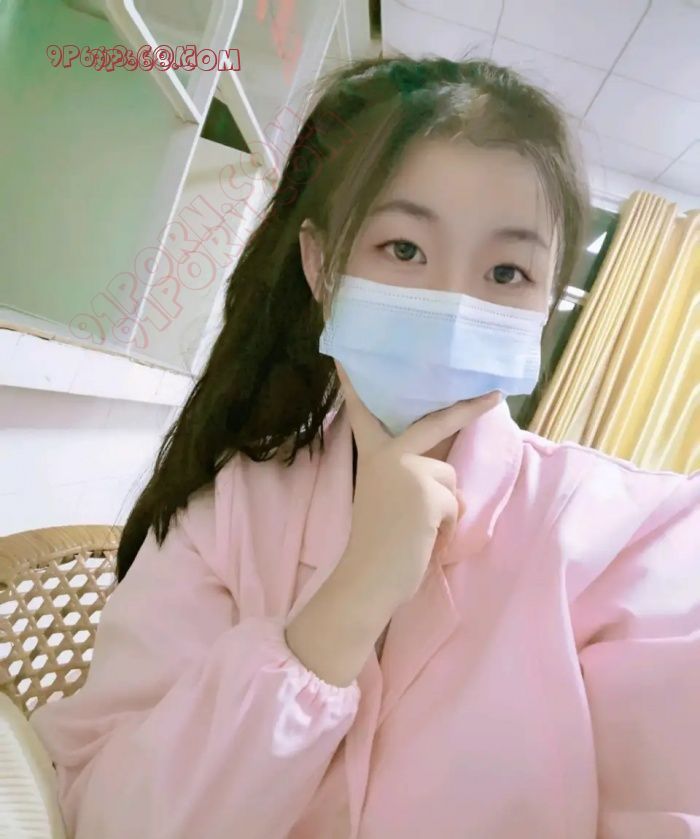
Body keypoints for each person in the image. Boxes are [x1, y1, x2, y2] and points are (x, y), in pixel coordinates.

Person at [29, 55, 699, 839]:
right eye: (404, 250)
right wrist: (346, 604)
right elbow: (114, 818)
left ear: (545, 303)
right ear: (321, 265)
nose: (453, 304)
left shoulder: (636, 539)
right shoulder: (229, 508)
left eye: (506, 270)